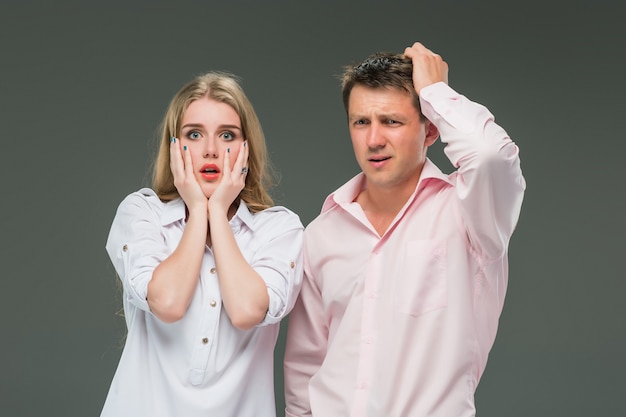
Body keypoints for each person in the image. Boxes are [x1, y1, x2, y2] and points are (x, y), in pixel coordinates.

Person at [283, 42, 525, 416]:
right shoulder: (321, 233)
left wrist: (435, 92)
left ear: (430, 132)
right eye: (361, 122)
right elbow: (305, 365)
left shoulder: (469, 216)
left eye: (392, 121)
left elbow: (491, 155)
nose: (374, 139)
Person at [101, 71, 304, 417]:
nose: (210, 150)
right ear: (174, 147)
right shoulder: (141, 212)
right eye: (194, 134)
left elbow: (246, 311)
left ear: (245, 148)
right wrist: (198, 209)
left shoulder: (279, 228)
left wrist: (218, 210)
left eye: (227, 135)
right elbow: (168, 302)